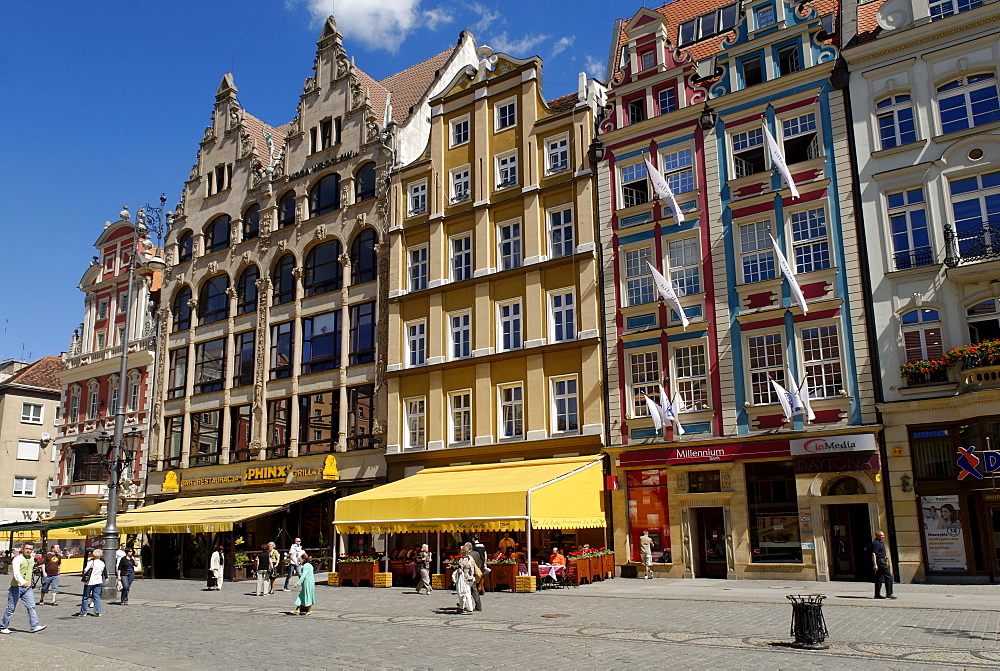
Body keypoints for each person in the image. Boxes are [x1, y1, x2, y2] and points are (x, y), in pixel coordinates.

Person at [0, 542, 45, 633]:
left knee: (31, 606)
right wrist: (23, 582)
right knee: (11, 608)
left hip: (27, 587)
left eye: (30, 549)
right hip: (16, 587)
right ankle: (3, 627)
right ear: (23, 548)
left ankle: (34, 626)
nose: (28, 551)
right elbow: (16, 573)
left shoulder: (31, 559)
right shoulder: (18, 559)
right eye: (26, 548)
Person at [74, 548, 106, 617]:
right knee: (97, 597)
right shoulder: (102, 563)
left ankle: (83, 612)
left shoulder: (91, 562)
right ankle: (97, 611)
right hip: (98, 581)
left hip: (90, 582)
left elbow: (85, 570)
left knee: (86, 597)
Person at [868, 530, 896, 599]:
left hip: (882, 561)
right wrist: (875, 564)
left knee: (879, 578)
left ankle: (877, 594)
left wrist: (885, 560)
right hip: (880, 562)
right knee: (889, 577)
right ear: (877, 536)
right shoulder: (876, 543)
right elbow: (873, 554)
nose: (882, 536)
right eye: (881, 535)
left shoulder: (880, 543)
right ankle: (889, 593)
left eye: (883, 535)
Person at [453, 547, 475, 614]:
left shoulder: (462, 560)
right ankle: (462, 607)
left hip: (464, 577)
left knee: (464, 592)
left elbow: (460, 570)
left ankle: (469, 608)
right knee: (467, 592)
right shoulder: (471, 558)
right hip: (470, 576)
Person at [463, 542, 485, 611]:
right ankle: (474, 605)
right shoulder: (476, 553)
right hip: (476, 572)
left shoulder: (468, 556)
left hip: (470, 574)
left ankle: (473, 605)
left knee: (471, 590)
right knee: (473, 589)